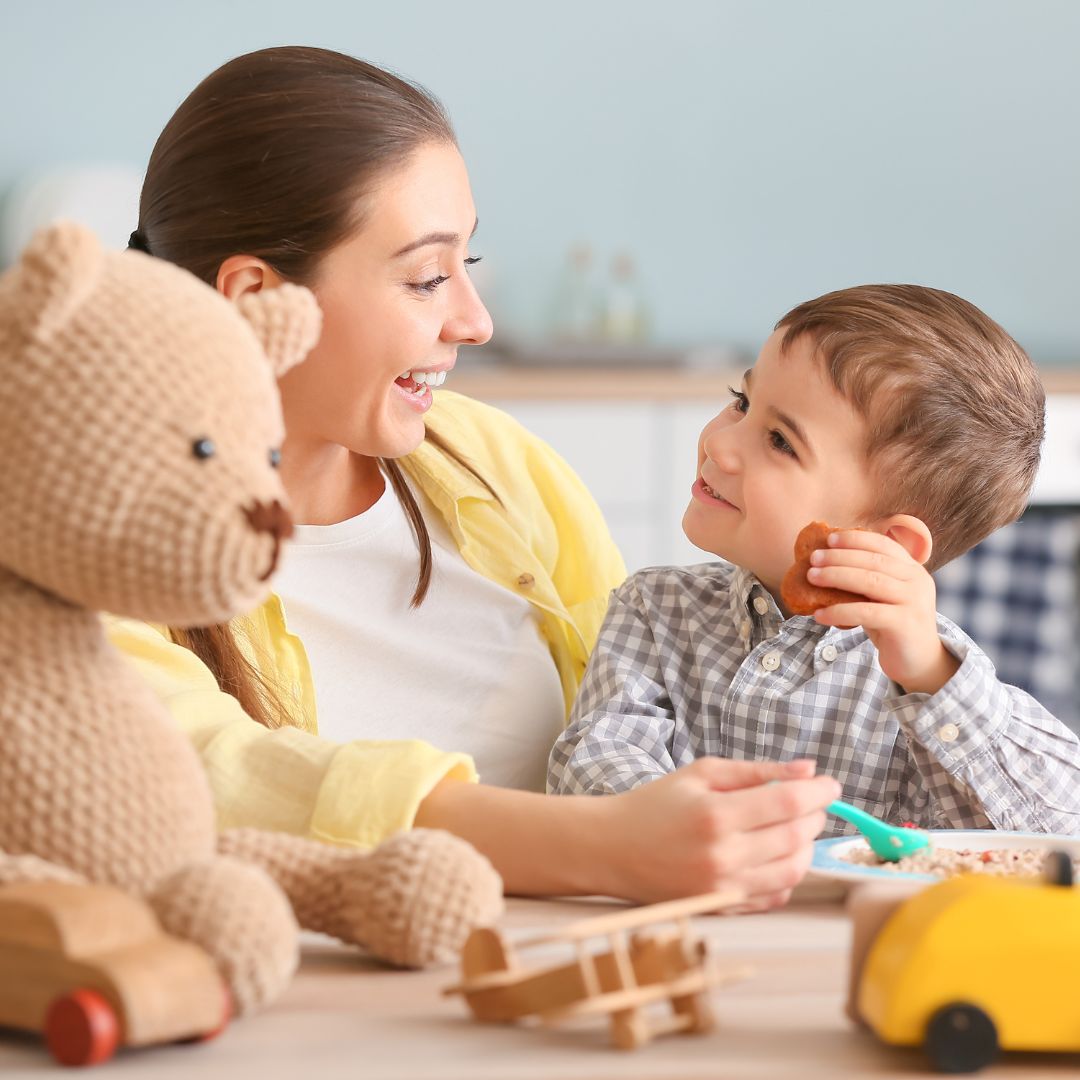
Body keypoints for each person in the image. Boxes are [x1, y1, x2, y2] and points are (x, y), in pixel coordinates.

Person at [108, 45, 838, 907]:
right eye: (426, 278)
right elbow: (204, 776)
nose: (476, 320)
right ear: (256, 298)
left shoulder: (497, 465)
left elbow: (669, 694)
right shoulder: (89, 540)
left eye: (469, 266)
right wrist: (606, 849)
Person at [549, 284, 1080, 836]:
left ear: (888, 542)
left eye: (780, 441)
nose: (721, 445)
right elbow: (589, 764)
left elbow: (1058, 829)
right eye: (742, 401)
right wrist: (704, 826)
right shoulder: (655, 610)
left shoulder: (929, 675)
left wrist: (930, 678)